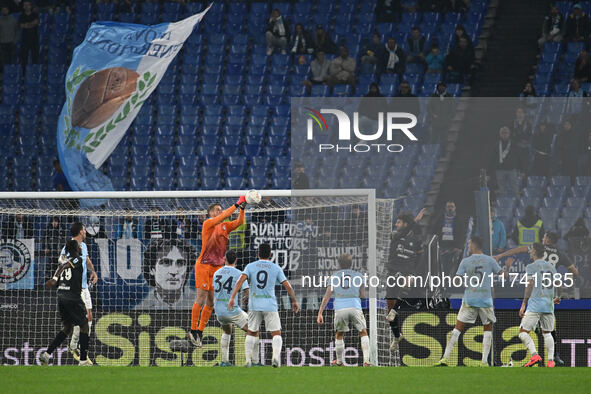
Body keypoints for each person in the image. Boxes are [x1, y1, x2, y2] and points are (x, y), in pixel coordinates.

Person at [435, 236, 504, 366]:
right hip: (485, 300)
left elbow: (457, 280)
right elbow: (503, 275)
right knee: (487, 330)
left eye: (469, 243)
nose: (468, 245)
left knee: (457, 329)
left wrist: (453, 280)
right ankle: (484, 362)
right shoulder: (490, 260)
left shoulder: (465, 261)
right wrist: (507, 266)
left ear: (474, 245)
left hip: (470, 299)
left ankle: (445, 358)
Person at [228, 243, 300, 368]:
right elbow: (287, 285)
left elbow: (240, 280)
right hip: (270, 306)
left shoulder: (250, 266)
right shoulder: (276, 268)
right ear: (271, 254)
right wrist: (294, 300)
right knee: (276, 333)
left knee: (251, 332)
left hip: (254, 305)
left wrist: (233, 297)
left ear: (258, 254)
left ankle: (248, 360)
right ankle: (275, 358)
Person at [188, 196, 247, 347]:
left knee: (211, 301)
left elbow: (240, 222)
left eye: (221, 210)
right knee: (200, 297)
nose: (219, 212)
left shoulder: (225, 227)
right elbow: (224, 215)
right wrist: (236, 204)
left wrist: (242, 208)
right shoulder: (208, 224)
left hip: (217, 268)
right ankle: (193, 330)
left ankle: (200, 332)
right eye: (217, 210)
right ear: (210, 213)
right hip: (203, 265)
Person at [40, 240, 92, 366]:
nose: (80, 247)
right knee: (85, 325)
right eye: (78, 246)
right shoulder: (77, 259)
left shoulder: (63, 262)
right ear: (75, 248)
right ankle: (83, 360)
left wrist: (55, 279)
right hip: (72, 297)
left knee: (67, 327)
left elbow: (62, 276)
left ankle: (47, 354)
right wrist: (54, 278)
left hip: (61, 296)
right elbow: (65, 267)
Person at [317, 254, 371, 366]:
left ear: (339, 264)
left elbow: (327, 296)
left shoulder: (334, 277)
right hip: (355, 307)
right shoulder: (359, 276)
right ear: (351, 264)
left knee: (339, 334)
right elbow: (363, 295)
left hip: (340, 309)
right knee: (363, 332)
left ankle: (340, 362)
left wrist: (320, 313)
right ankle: (366, 361)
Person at [213, 250, 260, 367]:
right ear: (236, 260)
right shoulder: (239, 273)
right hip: (232, 311)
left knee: (227, 331)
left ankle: (224, 361)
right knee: (254, 330)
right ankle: (253, 361)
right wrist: (247, 297)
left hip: (218, 311)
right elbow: (247, 291)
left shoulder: (216, 273)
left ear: (225, 259)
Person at [385, 212, 423, 354]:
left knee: (406, 288)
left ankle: (395, 310)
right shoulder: (395, 236)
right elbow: (404, 231)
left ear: (405, 224)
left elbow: (419, 259)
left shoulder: (416, 241)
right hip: (393, 271)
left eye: (399, 222)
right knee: (389, 308)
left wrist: (413, 273)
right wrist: (415, 220)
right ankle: (396, 336)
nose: (396, 224)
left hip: (407, 272)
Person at [60, 222, 98, 360]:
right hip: (75, 288)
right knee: (84, 317)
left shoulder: (84, 246)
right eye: (84, 229)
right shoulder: (69, 245)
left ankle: (77, 346)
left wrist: (92, 271)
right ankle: (76, 346)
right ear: (80, 232)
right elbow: (61, 259)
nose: (86, 231)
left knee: (89, 318)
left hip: (84, 287)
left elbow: (86, 259)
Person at [518, 243, 560, 368]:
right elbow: (559, 284)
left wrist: (524, 303)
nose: (530, 252)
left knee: (522, 332)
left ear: (535, 252)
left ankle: (535, 355)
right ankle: (551, 361)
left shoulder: (531, 267)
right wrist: (558, 297)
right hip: (548, 305)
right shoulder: (551, 266)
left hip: (535, 305)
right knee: (547, 333)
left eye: (531, 251)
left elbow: (530, 284)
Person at [135, 239, 197, 309]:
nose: (173, 271)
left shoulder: (200, 304)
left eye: (180, 263)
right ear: (152, 269)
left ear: (187, 269)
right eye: (166, 262)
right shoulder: (142, 308)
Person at [430, 200, 466, 272]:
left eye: (452, 206)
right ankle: (442, 282)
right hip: (442, 247)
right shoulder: (440, 218)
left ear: (455, 208)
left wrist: (458, 247)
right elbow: (434, 231)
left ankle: (450, 282)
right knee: (441, 268)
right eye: (448, 206)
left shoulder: (459, 219)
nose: (450, 208)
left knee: (452, 269)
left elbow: (462, 234)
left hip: (454, 248)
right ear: (445, 208)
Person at [490, 127, 523, 196]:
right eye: (502, 133)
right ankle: (503, 205)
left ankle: (517, 203)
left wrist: (522, 170)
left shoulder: (514, 144)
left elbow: (519, 157)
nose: (504, 134)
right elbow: (492, 159)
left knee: (515, 190)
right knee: (502, 191)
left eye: (506, 133)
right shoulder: (496, 145)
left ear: (509, 134)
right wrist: (489, 171)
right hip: (500, 170)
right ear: (500, 134)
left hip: (512, 170)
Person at [19, 1, 39, 65]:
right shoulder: (22, 15)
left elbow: (36, 22)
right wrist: (31, 24)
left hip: (34, 38)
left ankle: (34, 70)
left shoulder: (34, 14)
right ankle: (24, 72)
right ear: (23, 7)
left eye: (28, 5)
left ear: (30, 6)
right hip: (25, 39)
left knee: (35, 56)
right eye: (25, 5)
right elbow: (21, 25)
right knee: (24, 56)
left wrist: (27, 24)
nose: (27, 6)